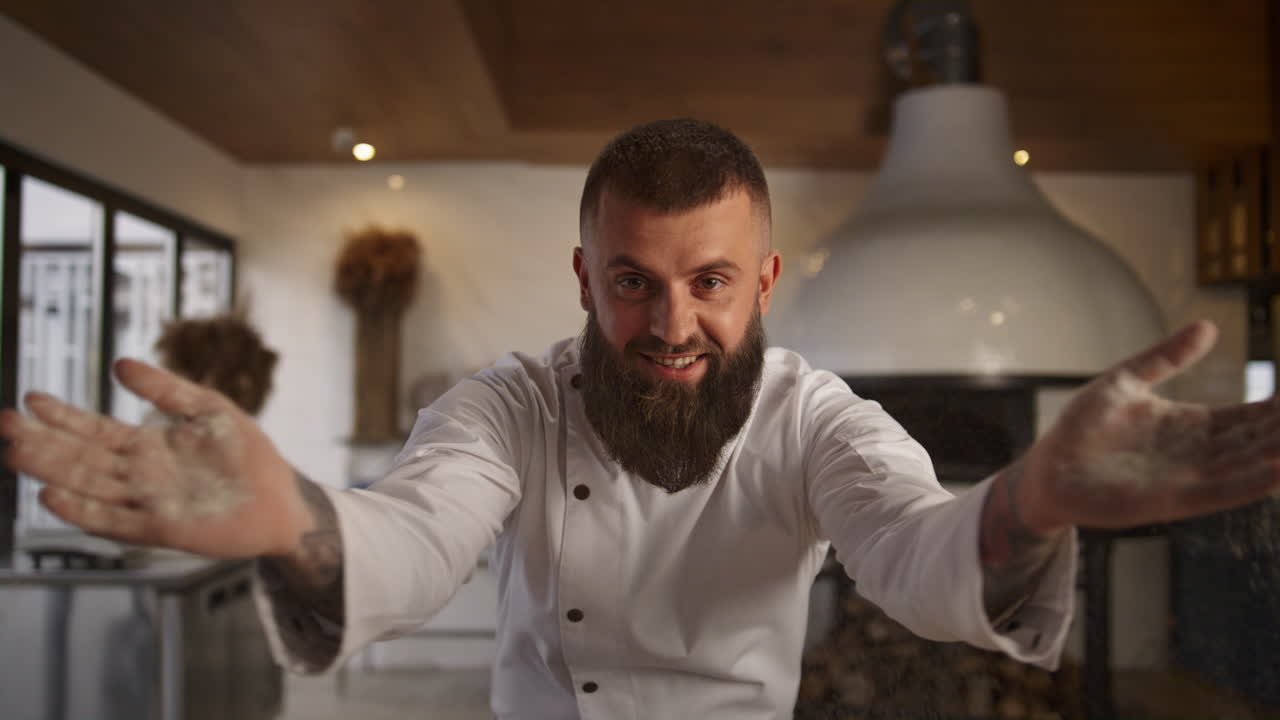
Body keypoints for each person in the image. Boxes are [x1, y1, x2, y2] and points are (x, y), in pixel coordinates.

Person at [3, 118, 1277, 719]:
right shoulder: (507, 407)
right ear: (584, 279)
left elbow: (918, 551)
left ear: (761, 282)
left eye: (709, 281)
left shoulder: (815, 419)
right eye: (633, 282)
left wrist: (1030, 499)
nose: (671, 323)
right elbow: (415, 532)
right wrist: (296, 520)